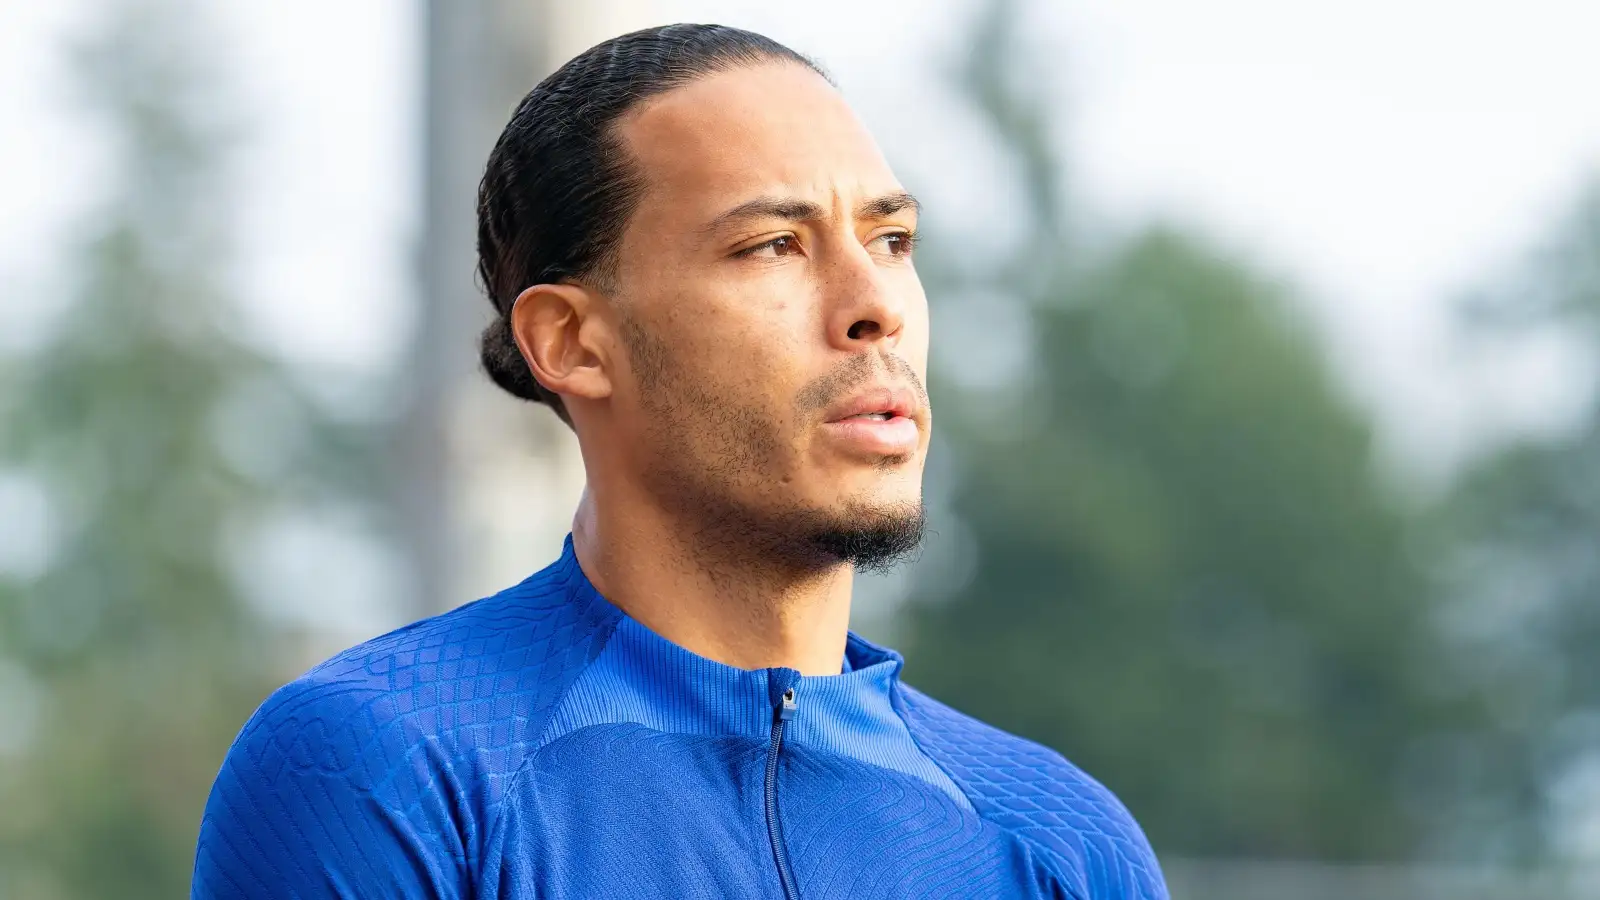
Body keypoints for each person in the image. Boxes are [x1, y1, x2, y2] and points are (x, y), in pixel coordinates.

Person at [191, 24, 1167, 900]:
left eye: (892, 238)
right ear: (572, 342)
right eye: (773, 245)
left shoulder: (1059, 846)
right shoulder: (388, 773)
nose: (876, 304)